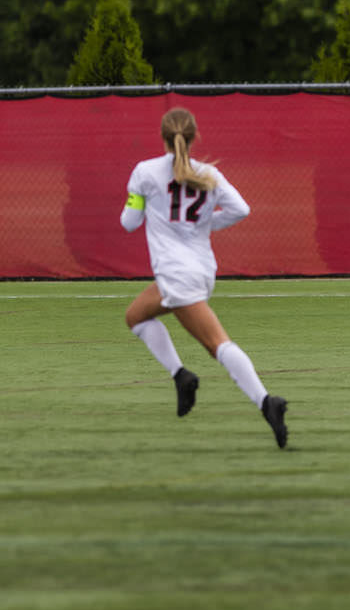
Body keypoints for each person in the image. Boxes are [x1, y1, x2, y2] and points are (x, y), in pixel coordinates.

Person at [121, 107, 288, 447]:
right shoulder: (208, 173)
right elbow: (241, 209)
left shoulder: (145, 172)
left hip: (176, 274)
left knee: (217, 345)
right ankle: (181, 377)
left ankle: (266, 401)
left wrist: (141, 203)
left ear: (163, 137)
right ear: (195, 137)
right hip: (201, 269)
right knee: (136, 316)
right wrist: (202, 224)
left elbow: (129, 222)